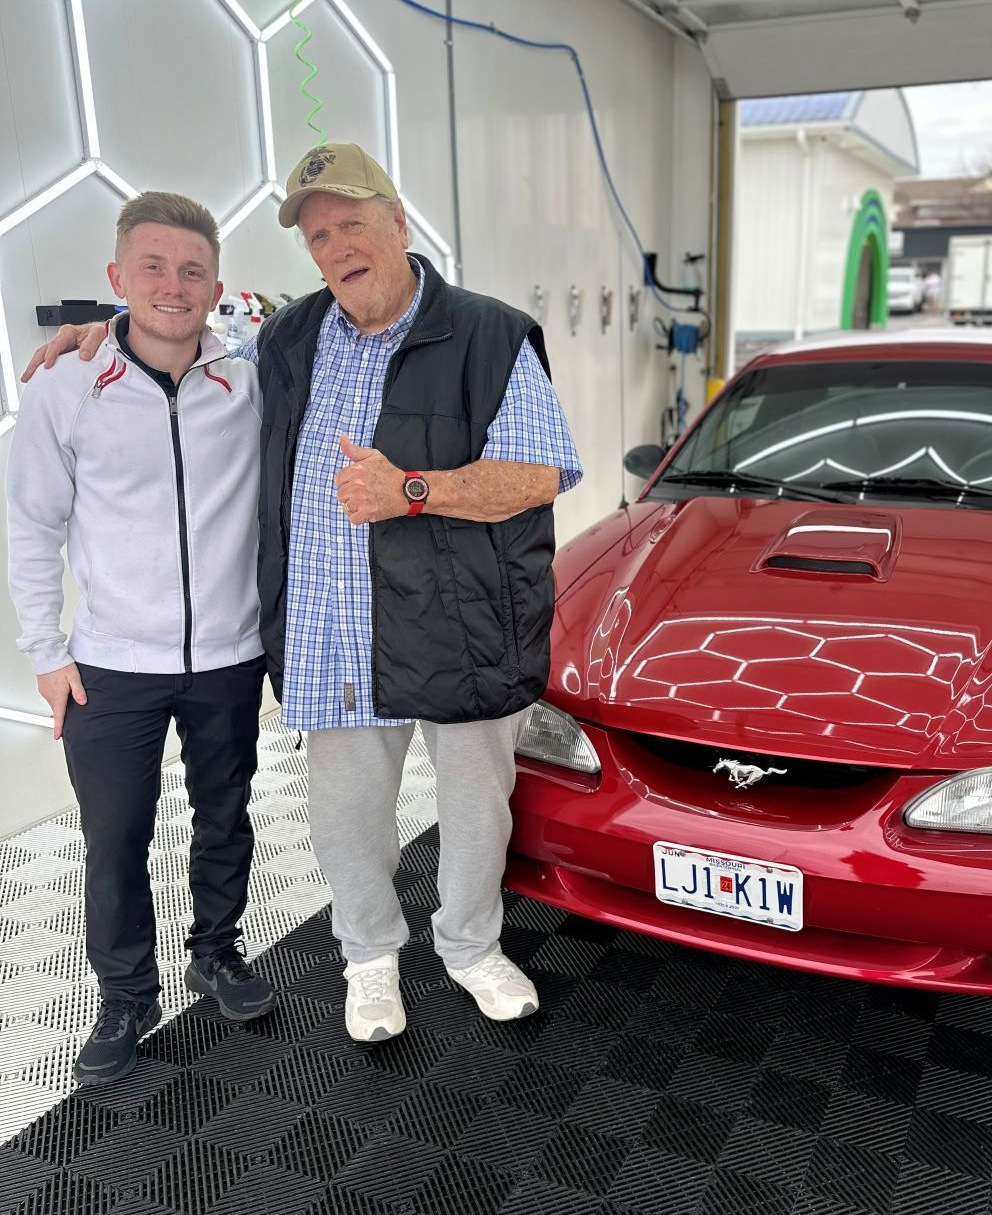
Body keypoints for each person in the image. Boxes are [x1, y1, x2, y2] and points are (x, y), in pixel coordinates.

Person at [31, 144, 582, 1044]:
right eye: (319, 234)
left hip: (465, 628)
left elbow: (538, 473)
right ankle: (369, 957)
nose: (337, 246)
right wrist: (92, 328)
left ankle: (471, 945)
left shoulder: (490, 333)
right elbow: (176, 329)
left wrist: (411, 489)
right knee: (346, 817)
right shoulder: (285, 339)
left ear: (399, 223)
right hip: (333, 630)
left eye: (353, 223)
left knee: (477, 804)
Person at [7, 193, 276, 1086]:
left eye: (192, 270)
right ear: (117, 279)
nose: (174, 285)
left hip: (229, 657)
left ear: (217, 287)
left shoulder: (249, 380)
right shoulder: (63, 385)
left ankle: (217, 949)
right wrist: (46, 654)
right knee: (114, 836)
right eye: (153, 268)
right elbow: (30, 526)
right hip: (112, 664)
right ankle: (125, 994)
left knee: (226, 815)